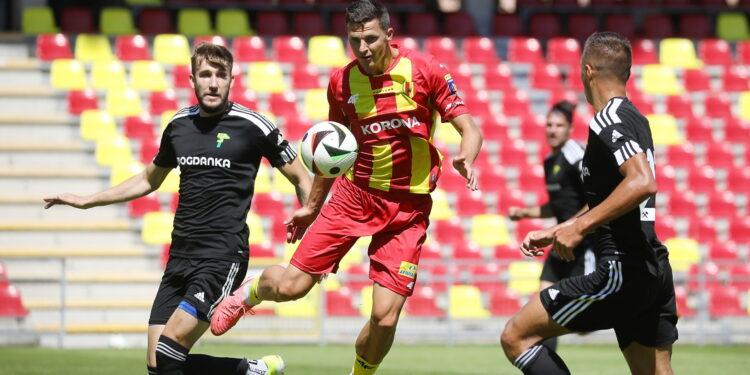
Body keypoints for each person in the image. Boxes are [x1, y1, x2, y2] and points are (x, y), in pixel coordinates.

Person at [210, 1, 483, 374]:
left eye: (370, 39)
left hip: (408, 209)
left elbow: (470, 128)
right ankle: (249, 293)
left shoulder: (425, 70)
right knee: (291, 287)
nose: (364, 48)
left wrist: (465, 157)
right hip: (354, 198)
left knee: (385, 319)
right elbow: (331, 149)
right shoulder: (341, 82)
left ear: (389, 34)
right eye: (355, 41)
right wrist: (312, 206)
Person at [43, 42, 312, 375]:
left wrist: (316, 242)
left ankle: (250, 370)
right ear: (192, 80)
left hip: (221, 256)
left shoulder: (253, 126)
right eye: (205, 74)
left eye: (220, 75)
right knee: (158, 365)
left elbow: (302, 178)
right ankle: (252, 370)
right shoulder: (178, 126)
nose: (213, 83)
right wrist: (88, 200)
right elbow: (148, 179)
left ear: (231, 80)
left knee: (170, 353)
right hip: (180, 257)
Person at [500, 32, 677, 375]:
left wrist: (579, 227)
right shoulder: (636, 118)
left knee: (516, 337)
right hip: (651, 266)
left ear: (588, 71)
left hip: (621, 270)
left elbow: (642, 181)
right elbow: (613, 194)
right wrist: (559, 229)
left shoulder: (608, 119)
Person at [508, 100, 596, 351]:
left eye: (559, 125)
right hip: (560, 243)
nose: (553, 130)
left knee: (581, 323)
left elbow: (595, 200)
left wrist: (572, 227)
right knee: (544, 307)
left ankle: (628, 313)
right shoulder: (550, 161)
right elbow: (558, 204)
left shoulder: (576, 156)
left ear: (569, 129)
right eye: (549, 124)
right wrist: (526, 212)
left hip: (582, 243)